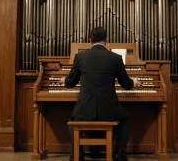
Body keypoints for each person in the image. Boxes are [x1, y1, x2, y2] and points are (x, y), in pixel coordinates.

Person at [59, 27, 142, 161]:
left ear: (90, 40)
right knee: (125, 118)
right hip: (108, 109)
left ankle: (77, 155)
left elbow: (70, 83)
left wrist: (65, 81)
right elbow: (126, 84)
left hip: (85, 109)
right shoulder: (115, 58)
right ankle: (119, 154)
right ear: (107, 40)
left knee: (72, 119)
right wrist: (133, 82)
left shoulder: (80, 57)